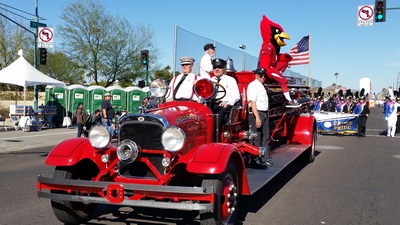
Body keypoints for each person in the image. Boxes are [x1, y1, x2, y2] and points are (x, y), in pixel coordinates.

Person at [258, 15, 300, 107]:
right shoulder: (268, 46)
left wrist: (285, 57)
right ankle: (289, 101)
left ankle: (277, 80)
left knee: (285, 61)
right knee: (283, 81)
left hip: (272, 69)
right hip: (268, 70)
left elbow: (276, 59)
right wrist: (268, 74)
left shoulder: (273, 47)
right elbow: (264, 65)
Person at [247, 68, 270, 169]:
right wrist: (257, 118)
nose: (263, 77)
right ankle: (256, 160)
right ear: (256, 75)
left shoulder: (262, 86)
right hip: (257, 113)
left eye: (264, 76)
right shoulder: (253, 85)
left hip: (264, 113)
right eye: (261, 75)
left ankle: (264, 158)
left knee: (265, 136)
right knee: (256, 137)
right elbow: (253, 103)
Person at [209, 58, 240, 128]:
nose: (217, 69)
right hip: (211, 103)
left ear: (224, 69)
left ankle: (214, 134)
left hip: (224, 105)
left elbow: (236, 96)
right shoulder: (210, 81)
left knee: (221, 111)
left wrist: (227, 103)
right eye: (215, 67)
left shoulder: (230, 80)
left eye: (219, 67)